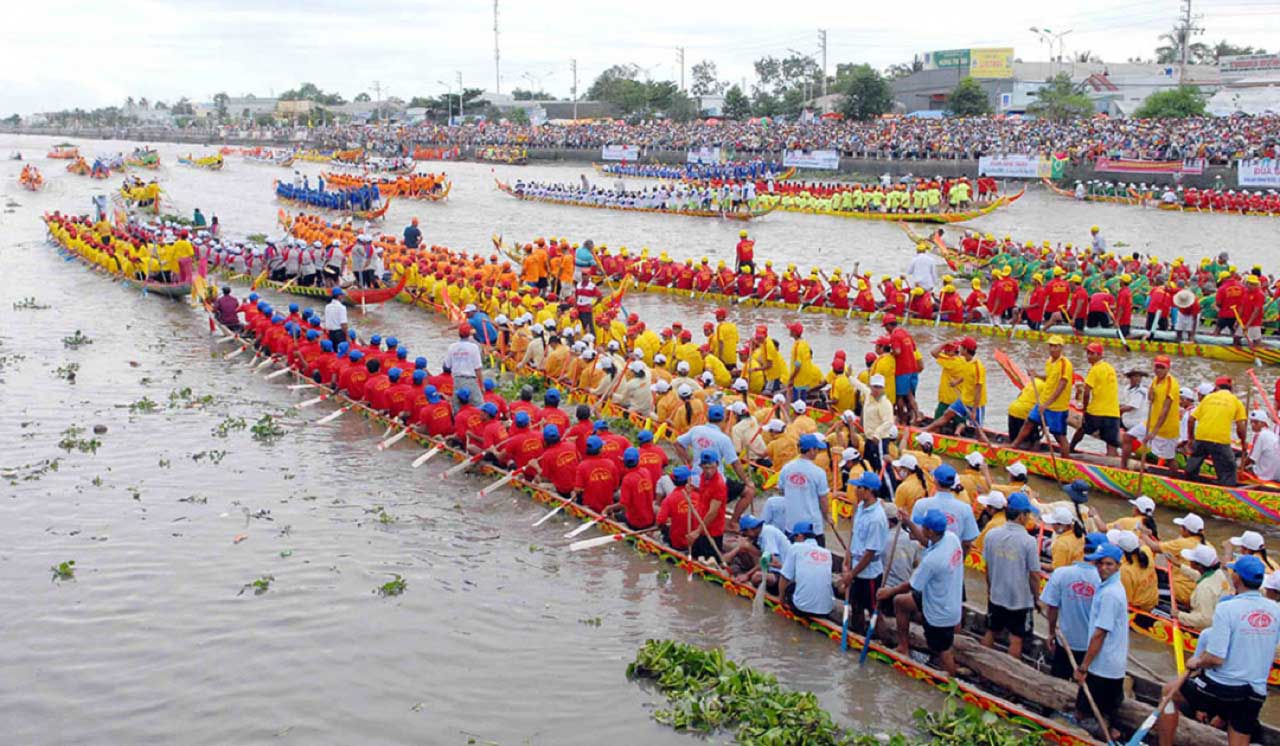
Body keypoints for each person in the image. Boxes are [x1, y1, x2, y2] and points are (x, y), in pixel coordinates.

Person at [1156, 554, 1280, 746]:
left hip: (1222, 689)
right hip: (1255, 691)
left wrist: (1196, 662)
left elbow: (1216, 659)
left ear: (1237, 578)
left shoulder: (1227, 609)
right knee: (1240, 724)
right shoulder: (1276, 610)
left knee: (1169, 691)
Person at [880, 508, 962, 675]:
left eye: (923, 527)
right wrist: (909, 522)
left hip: (940, 611)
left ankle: (952, 679)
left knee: (943, 650)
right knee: (901, 602)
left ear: (930, 531)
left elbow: (911, 585)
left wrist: (889, 591)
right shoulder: (950, 539)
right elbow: (926, 541)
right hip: (942, 597)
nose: (922, 529)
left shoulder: (932, 560)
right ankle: (903, 647)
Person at [1075, 543, 1128, 743]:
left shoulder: (1110, 594)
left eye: (1108, 564)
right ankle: (1110, 733)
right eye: (1100, 564)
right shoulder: (1110, 587)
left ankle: (1108, 737)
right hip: (1111, 664)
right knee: (1103, 713)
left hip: (1102, 667)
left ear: (1118, 566)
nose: (1103, 568)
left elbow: (1100, 633)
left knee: (1083, 714)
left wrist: (1084, 666)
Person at [981, 493, 1042, 659]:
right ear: (1022, 516)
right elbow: (1034, 575)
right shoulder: (1028, 541)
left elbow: (987, 568)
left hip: (996, 595)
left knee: (991, 631)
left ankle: (984, 664)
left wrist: (989, 590)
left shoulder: (991, 535)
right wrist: (1037, 599)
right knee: (1016, 638)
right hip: (1020, 600)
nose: (1029, 517)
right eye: (1028, 514)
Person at [1040, 532, 1104, 679]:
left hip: (1066, 640)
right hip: (1091, 646)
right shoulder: (1103, 581)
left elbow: (1052, 608)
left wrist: (1051, 633)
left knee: (1058, 679)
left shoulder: (1061, 573)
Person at [839, 472, 888, 633]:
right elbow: (854, 534)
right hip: (855, 565)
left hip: (869, 573)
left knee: (874, 610)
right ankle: (857, 633)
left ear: (868, 491)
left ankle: (884, 638)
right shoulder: (860, 507)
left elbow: (870, 553)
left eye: (859, 487)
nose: (855, 490)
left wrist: (851, 574)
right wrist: (847, 558)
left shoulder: (877, 518)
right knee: (856, 606)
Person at [1010, 335, 1072, 456]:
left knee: (1059, 436)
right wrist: (1036, 375)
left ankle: (1066, 459)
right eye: (1051, 346)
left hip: (1056, 407)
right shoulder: (1049, 361)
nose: (1052, 349)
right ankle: (1014, 446)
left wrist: (1047, 404)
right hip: (1043, 402)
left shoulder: (1065, 364)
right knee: (1028, 422)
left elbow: (1061, 386)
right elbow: (1049, 378)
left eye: (1055, 346)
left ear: (1061, 348)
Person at [1184, 376, 1246, 486]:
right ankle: (1227, 490)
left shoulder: (1208, 398)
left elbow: (1191, 420)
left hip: (1201, 437)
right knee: (1229, 469)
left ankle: (1188, 483)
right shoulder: (1236, 401)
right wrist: (1243, 442)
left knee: (1193, 464)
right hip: (1220, 440)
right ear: (1231, 389)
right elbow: (1240, 427)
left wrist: (1190, 438)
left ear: (1216, 387)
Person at [776, 434, 831, 546]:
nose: (817, 452)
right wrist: (827, 516)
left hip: (791, 524)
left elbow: (781, 491)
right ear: (811, 450)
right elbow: (823, 500)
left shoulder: (787, 468)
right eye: (816, 449)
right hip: (812, 527)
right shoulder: (818, 472)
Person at [1070, 343, 1121, 456]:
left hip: (1097, 411)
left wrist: (1084, 409)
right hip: (1113, 412)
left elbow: (1087, 392)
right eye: (1087, 353)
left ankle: (1069, 449)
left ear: (1099, 355)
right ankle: (1112, 465)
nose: (1088, 356)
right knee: (1111, 443)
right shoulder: (1110, 368)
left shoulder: (1095, 369)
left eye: (1091, 353)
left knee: (1082, 429)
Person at [779, 521, 834, 620]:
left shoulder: (795, 548)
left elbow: (784, 577)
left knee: (790, 587)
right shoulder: (827, 553)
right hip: (826, 609)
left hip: (802, 609)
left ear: (799, 536)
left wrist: (781, 599)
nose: (794, 541)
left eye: (794, 538)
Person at [1177, 544, 1229, 629]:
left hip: (1206, 627)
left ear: (1198, 565)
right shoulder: (1218, 573)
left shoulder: (1204, 588)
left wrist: (1179, 615)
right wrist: (1179, 565)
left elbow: (1206, 620)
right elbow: (1199, 576)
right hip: (1219, 618)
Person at [446, 323, 484, 408]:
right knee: (479, 406)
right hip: (470, 380)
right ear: (470, 334)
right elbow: (478, 368)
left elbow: (448, 365)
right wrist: (481, 385)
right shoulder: (474, 347)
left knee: (457, 408)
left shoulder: (452, 347)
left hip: (457, 380)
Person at [1243, 409, 1280, 481]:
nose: (1253, 425)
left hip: (1264, 476)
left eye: (1256, 422)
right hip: (1277, 475)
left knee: (1238, 464)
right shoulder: (1273, 434)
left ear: (1264, 424)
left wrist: (1240, 468)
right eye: (1251, 422)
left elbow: (1251, 459)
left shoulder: (1260, 435)